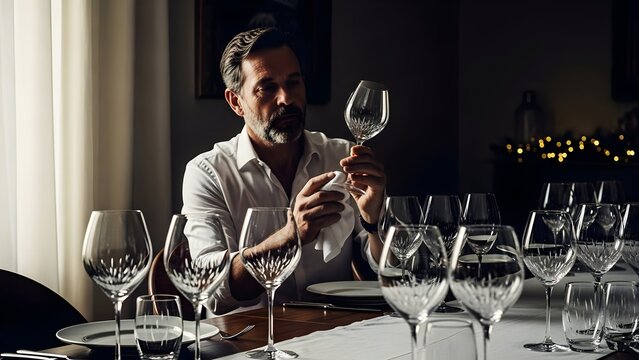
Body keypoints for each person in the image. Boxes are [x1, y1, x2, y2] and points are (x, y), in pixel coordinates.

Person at [181, 27, 387, 315]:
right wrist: (292, 234)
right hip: (250, 344)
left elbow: (388, 272)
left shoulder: (340, 156)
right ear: (236, 102)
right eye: (267, 87)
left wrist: (374, 221)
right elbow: (213, 291)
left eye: (294, 83)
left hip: (336, 334)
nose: (286, 99)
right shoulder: (208, 173)